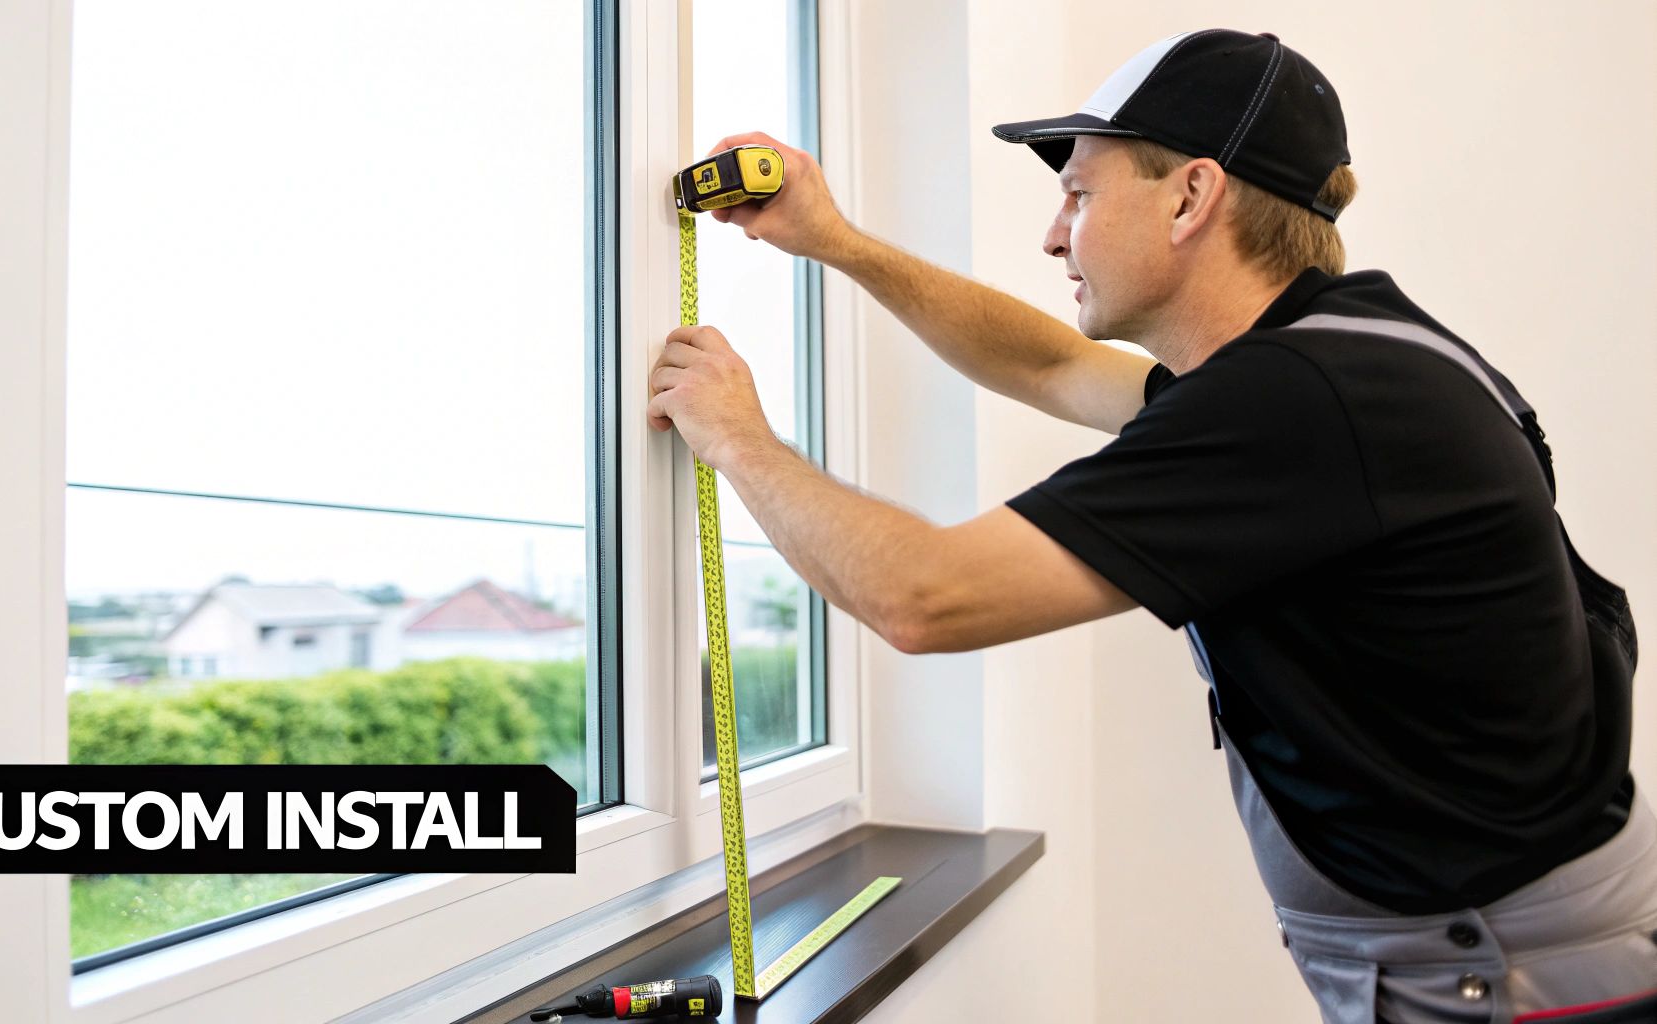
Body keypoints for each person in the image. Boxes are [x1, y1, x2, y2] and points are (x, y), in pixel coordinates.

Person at [645, 27, 1655, 1024]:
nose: (1052, 234)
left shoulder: (1294, 404)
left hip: (1507, 983)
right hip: (1514, 950)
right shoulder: (1347, 353)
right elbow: (1048, 366)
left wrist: (738, 438)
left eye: (1077, 193)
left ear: (1190, 197)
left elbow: (923, 597)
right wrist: (836, 240)